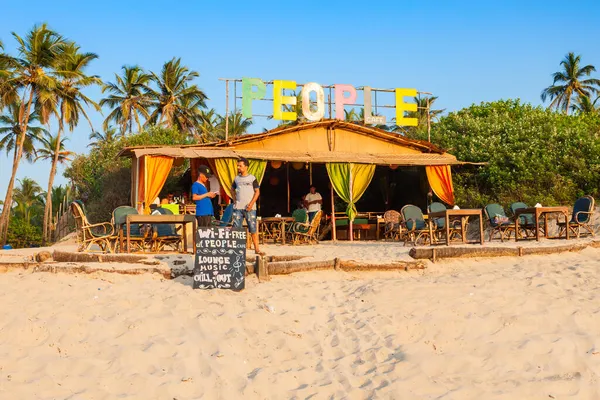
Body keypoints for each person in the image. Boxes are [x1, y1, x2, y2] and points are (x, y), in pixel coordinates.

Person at [231, 158, 264, 255]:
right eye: (237, 166)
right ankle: (236, 249)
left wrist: (251, 203)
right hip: (238, 208)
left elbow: (257, 192)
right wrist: (234, 200)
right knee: (236, 229)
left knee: (253, 229)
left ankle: (257, 249)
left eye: (240, 166)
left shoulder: (252, 178)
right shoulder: (236, 179)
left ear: (246, 166)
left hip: (250, 208)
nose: (238, 168)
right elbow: (232, 189)